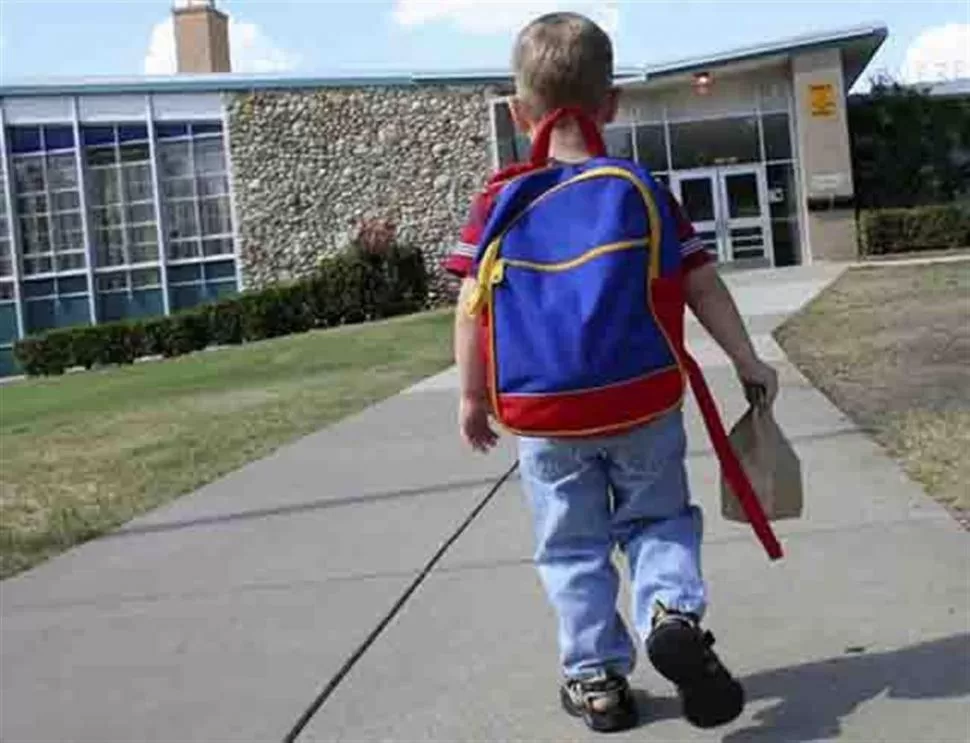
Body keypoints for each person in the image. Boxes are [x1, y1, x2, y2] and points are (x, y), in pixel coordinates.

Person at [444, 11, 778, 734]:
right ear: (614, 104)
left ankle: (596, 678)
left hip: (545, 417)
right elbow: (703, 286)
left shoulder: (498, 201)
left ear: (516, 109)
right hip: (643, 404)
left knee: (572, 547)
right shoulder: (644, 190)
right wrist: (746, 358)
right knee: (658, 519)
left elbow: (471, 307)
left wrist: (472, 396)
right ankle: (669, 610)